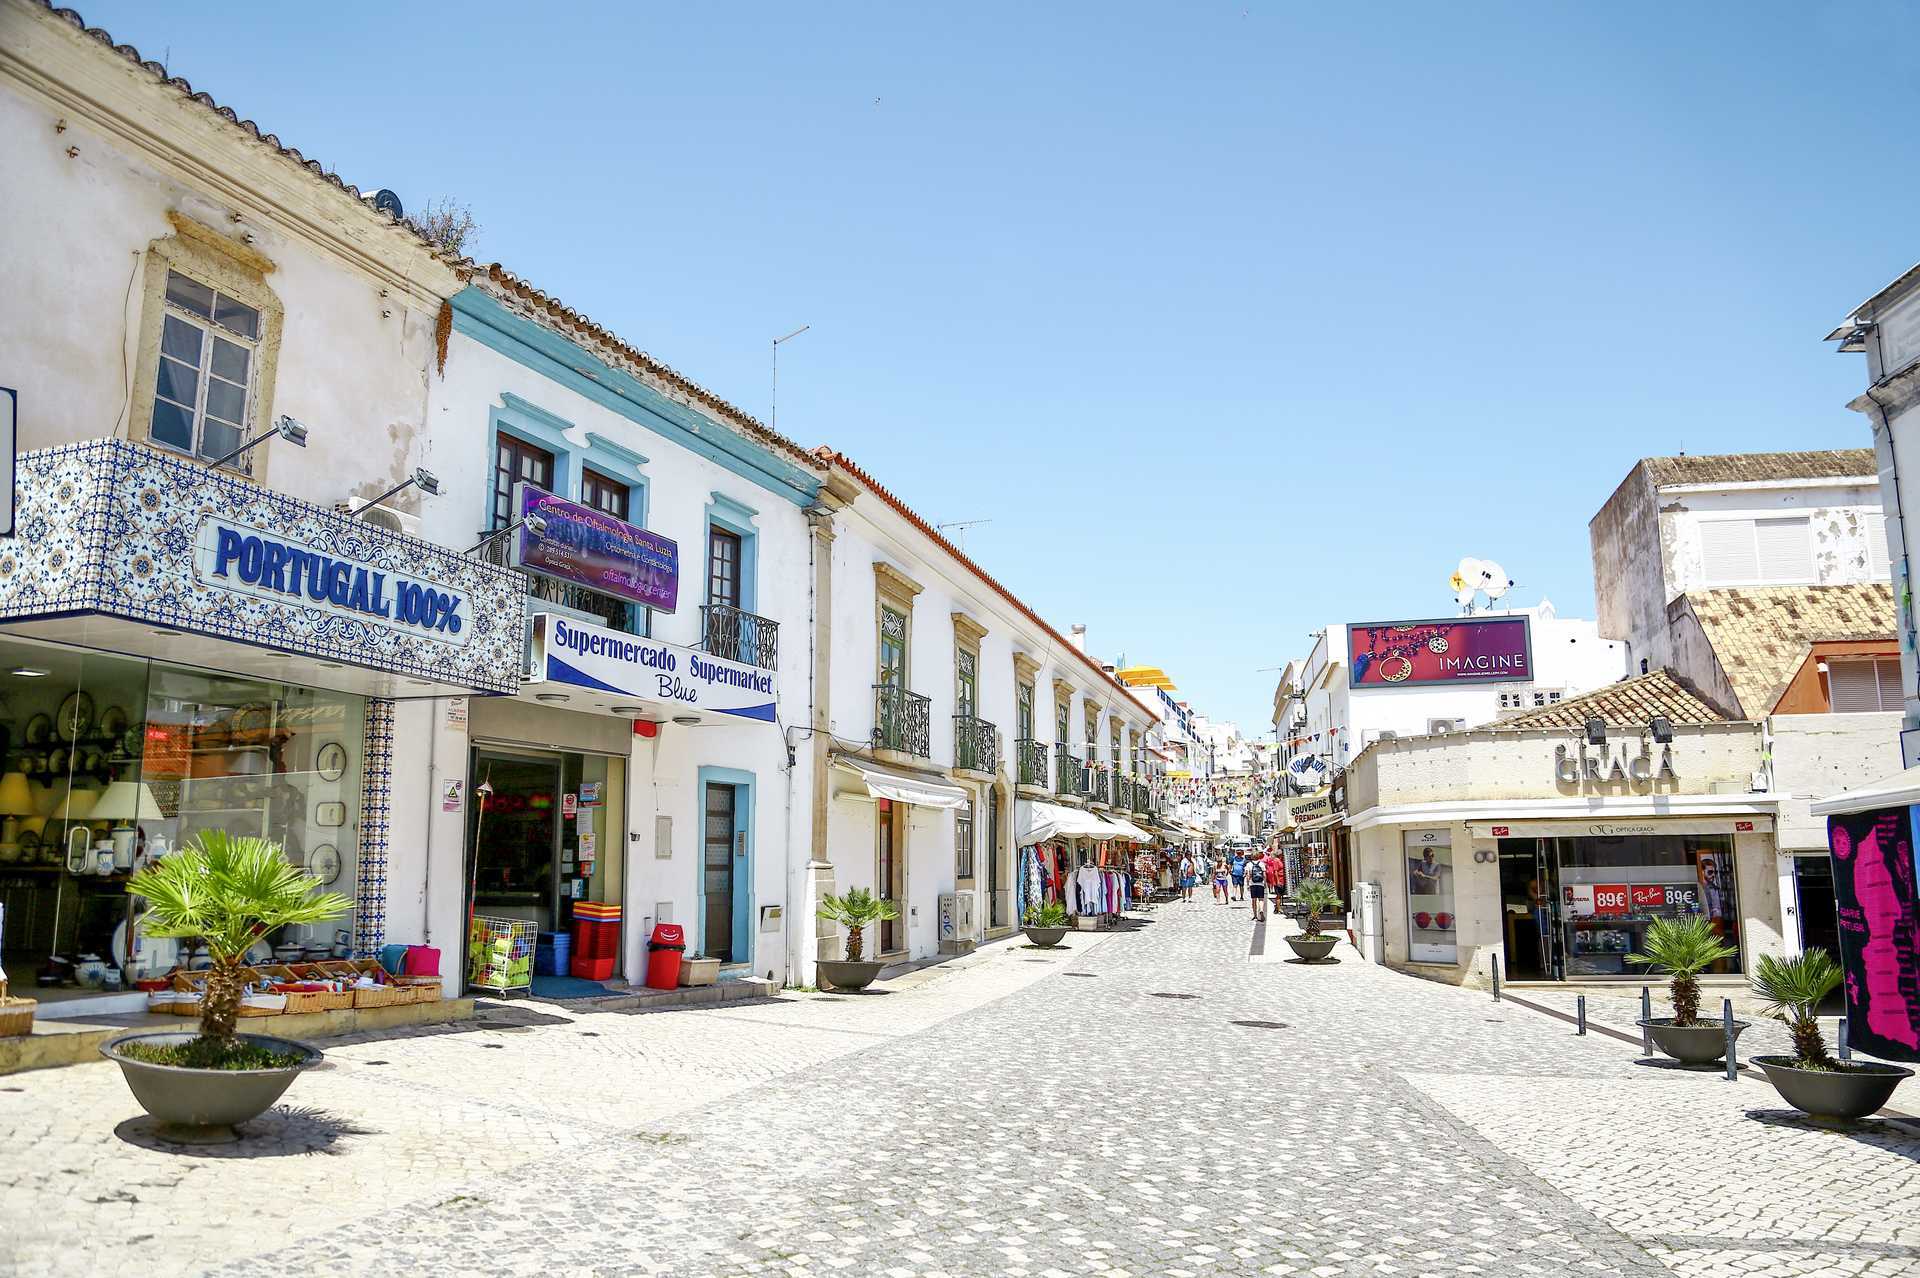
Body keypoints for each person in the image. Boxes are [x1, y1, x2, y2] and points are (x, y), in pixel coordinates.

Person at [1247, 852, 1269, 922]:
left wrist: (1248, 884)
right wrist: (1265, 883)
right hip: (1260, 883)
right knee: (1261, 899)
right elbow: (1264, 875)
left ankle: (1255, 915)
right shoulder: (1261, 864)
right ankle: (1261, 910)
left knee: (1254, 900)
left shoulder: (1249, 864)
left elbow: (1248, 875)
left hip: (1252, 884)